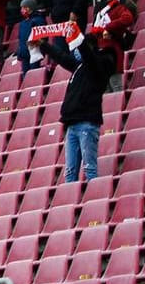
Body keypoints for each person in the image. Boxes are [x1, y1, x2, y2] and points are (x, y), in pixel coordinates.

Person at [40, 23, 112, 183]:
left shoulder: (97, 67)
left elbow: (88, 55)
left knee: (89, 169)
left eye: (78, 49)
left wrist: (80, 42)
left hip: (87, 123)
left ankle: (95, 201)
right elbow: (62, 57)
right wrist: (43, 45)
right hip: (72, 125)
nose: (76, 52)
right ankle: (69, 205)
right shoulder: (79, 67)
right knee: (70, 171)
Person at [16, 0, 48, 74]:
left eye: (24, 8)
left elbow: (43, 37)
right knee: (26, 75)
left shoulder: (38, 20)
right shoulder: (23, 23)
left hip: (35, 54)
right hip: (24, 55)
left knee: (34, 73)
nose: (22, 10)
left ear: (30, 8)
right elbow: (21, 39)